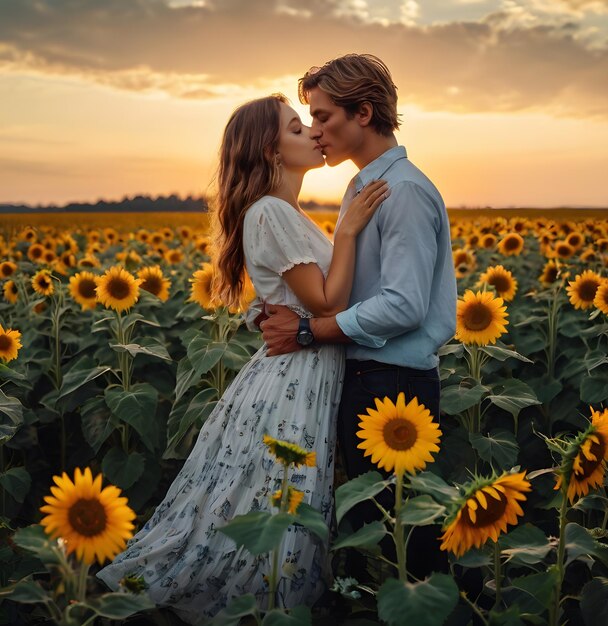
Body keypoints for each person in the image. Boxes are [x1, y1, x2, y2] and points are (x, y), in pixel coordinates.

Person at [96, 94, 388, 623]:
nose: (313, 134)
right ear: (269, 150)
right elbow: (327, 303)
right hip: (294, 378)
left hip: (304, 369)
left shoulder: (284, 213)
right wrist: (347, 231)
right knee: (275, 500)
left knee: (269, 496)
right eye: (297, 128)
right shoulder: (272, 213)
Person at [260, 54, 457, 580]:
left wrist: (307, 331)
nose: (317, 130)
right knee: (375, 534)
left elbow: (404, 305)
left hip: (392, 384)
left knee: (403, 544)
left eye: (324, 117)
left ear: (364, 113)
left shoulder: (404, 191)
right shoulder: (363, 187)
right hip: (368, 378)